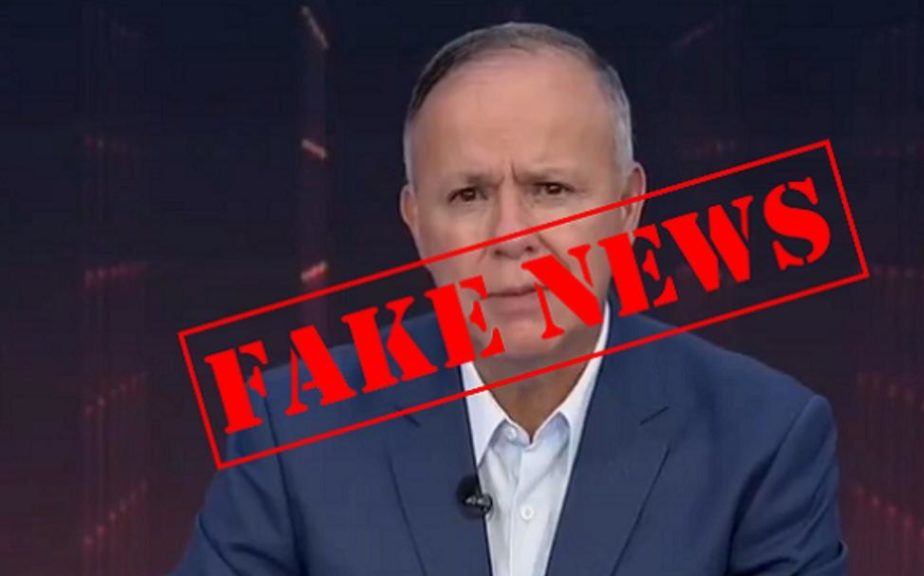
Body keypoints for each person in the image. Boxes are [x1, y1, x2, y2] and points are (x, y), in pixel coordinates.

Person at [176, 22, 848, 575]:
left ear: (628, 208)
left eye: (551, 190)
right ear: (416, 223)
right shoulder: (293, 430)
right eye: (468, 195)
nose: (511, 237)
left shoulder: (762, 440)